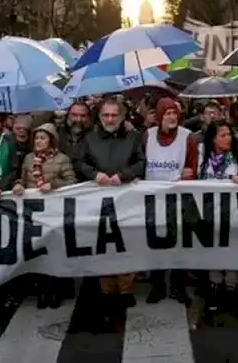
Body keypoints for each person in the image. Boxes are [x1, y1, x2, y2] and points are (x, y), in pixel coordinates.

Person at [74, 100, 145, 315]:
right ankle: (106, 289)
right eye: (106, 115)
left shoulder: (134, 137)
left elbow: (141, 162)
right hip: (99, 199)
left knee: (126, 242)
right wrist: (95, 175)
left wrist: (123, 176)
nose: (110, 119)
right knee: (102, 242)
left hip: (125, 198)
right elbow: (80, 163)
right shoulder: (90, 138)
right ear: (100, 117)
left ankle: (126, 289)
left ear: (122, 117)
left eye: (114, 115)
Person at [16, 123, 78, 309]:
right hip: (33, 213)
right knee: (38, 253)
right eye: (36, 138)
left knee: (55, 252)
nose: (39, 141)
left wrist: (53, 184)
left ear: (52, 141)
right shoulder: (28, 159)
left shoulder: (62, 159)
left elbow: (72, 181)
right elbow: (23, 178)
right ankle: (42, 291)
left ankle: (57, 291)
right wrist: (18, 185)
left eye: (43, 138)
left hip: (55, 213)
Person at [143, 97, 198, 304]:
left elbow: (193, 166)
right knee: (155, 243)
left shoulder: (187, 137)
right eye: (167, 114)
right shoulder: (147, 136)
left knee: (178, 243)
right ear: (159, 116)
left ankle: (178, 286)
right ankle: (157, 286)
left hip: (178, 199)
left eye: (175, 113)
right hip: (152, 198)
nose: (172, 117)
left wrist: (190, 173)